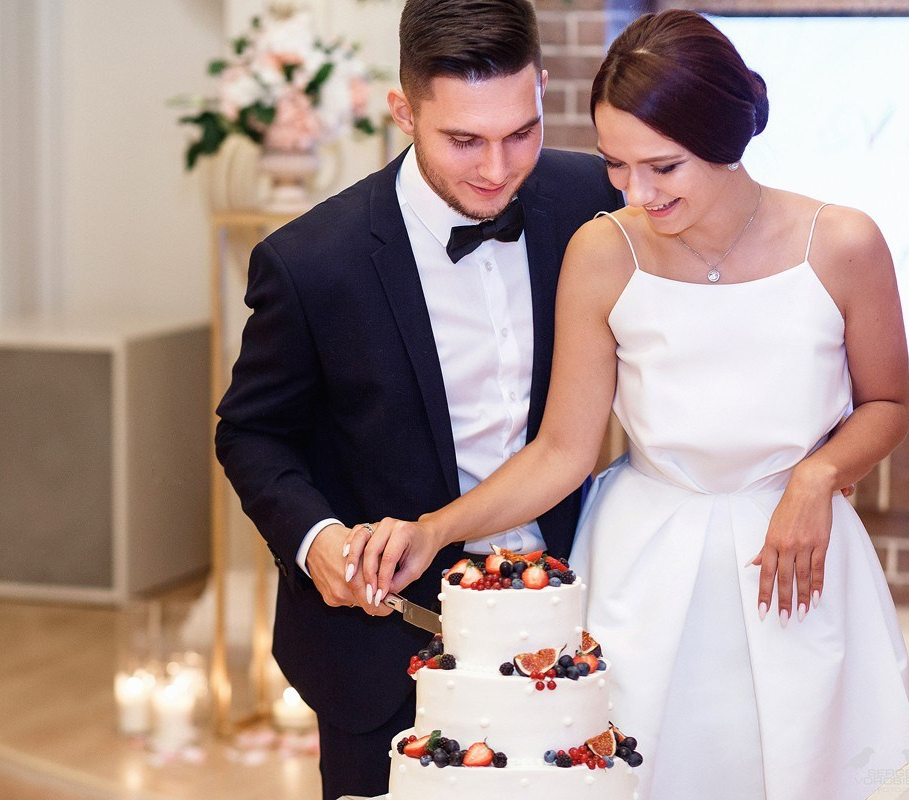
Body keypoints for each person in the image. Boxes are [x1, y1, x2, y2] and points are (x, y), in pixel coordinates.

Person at [350, 9, 909, 799]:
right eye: (616, 165)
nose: (636, 191)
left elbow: (886, 401)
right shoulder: (603, 251)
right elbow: (562, 451)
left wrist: (817, 476)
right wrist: (435, 529)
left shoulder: (844, 243)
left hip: (798, 561)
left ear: (727, 138)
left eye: (663, 167)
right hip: (641, 569)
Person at [214, 0, 622, 795]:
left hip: (574, 621)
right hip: (386, 647)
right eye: (464, 140)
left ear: (542, 89)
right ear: (403, 111)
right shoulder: (312, 262)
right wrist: (317, 540)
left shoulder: (595, 202)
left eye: (521, 132)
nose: (497, 169)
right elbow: (251, 434)